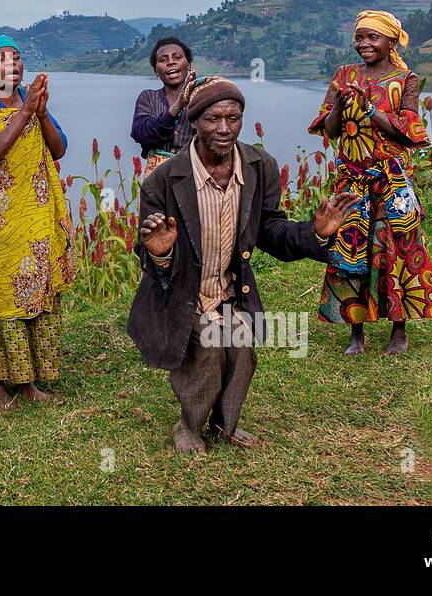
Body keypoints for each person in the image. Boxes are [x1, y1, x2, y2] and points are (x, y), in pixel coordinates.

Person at [128, 77, 359, 451]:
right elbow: (152, 261)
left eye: (233, 118)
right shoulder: (163, 180)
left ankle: (226, 425)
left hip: (230, 287)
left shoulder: (258, 166)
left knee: (242, 353)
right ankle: (188, 426)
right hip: (187, 291)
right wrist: (159, 251)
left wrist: (313, 233)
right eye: (212, 119)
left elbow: (270, 229)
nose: (224, 128)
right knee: (206, 354)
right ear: (194, 122)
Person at [310, 10, 432, 355]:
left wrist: (370, 109)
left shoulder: (407, 80)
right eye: (360, 37)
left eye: (373, 37)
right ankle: (355, 332)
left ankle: (398, 330)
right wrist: (341, 108)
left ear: (391, 41)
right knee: (351, 251)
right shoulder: (343, 76)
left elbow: (409, 131)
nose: (364, 44)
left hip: (391, 181)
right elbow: (329, 130)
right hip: (352, 181)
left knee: (397, 250)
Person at [0, 35, 76, 413]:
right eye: (2, 58)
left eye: (17, 58)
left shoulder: (30, 100)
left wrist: (39, 113)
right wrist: (25, 114)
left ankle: (27, 382)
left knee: (35, 292)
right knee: (0, 297)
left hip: (36, 216)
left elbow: (58, 149)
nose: (13, 64)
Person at [131, 36, 197, 176]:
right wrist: (176, 107)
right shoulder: (148, 98)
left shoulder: (202, 96)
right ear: (156, 70)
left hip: (194, 174)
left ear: (189, 65)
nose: (171, 62)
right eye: (163, 60)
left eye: (177, 57)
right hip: (157, 177)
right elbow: (142, 134)